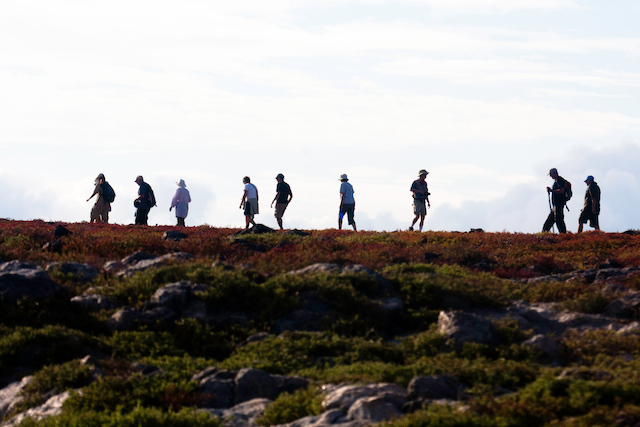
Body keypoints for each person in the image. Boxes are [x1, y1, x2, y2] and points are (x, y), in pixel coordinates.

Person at [542, 168, 568, 234]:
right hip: (556, 205)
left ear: (554, 173)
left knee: (558, 220)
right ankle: (544, 233)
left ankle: (563, 234)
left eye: (551, 174)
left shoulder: (559, 180)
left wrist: (552, 190)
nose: (550, 176)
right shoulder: (557, 180)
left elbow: (562, 191)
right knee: (550, 220)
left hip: (558, 204)